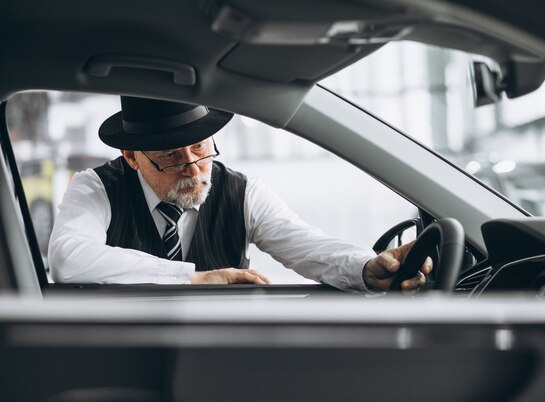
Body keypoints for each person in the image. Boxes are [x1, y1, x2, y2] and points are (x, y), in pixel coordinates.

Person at [49, 96, 431, 292]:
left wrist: (366, 267)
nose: (194, 167)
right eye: (170, 157)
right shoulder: (97, 187)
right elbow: (68, 258)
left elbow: (306, 245)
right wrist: (192, 279)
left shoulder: (242, 192)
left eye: (200, 148)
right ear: (132, 157)